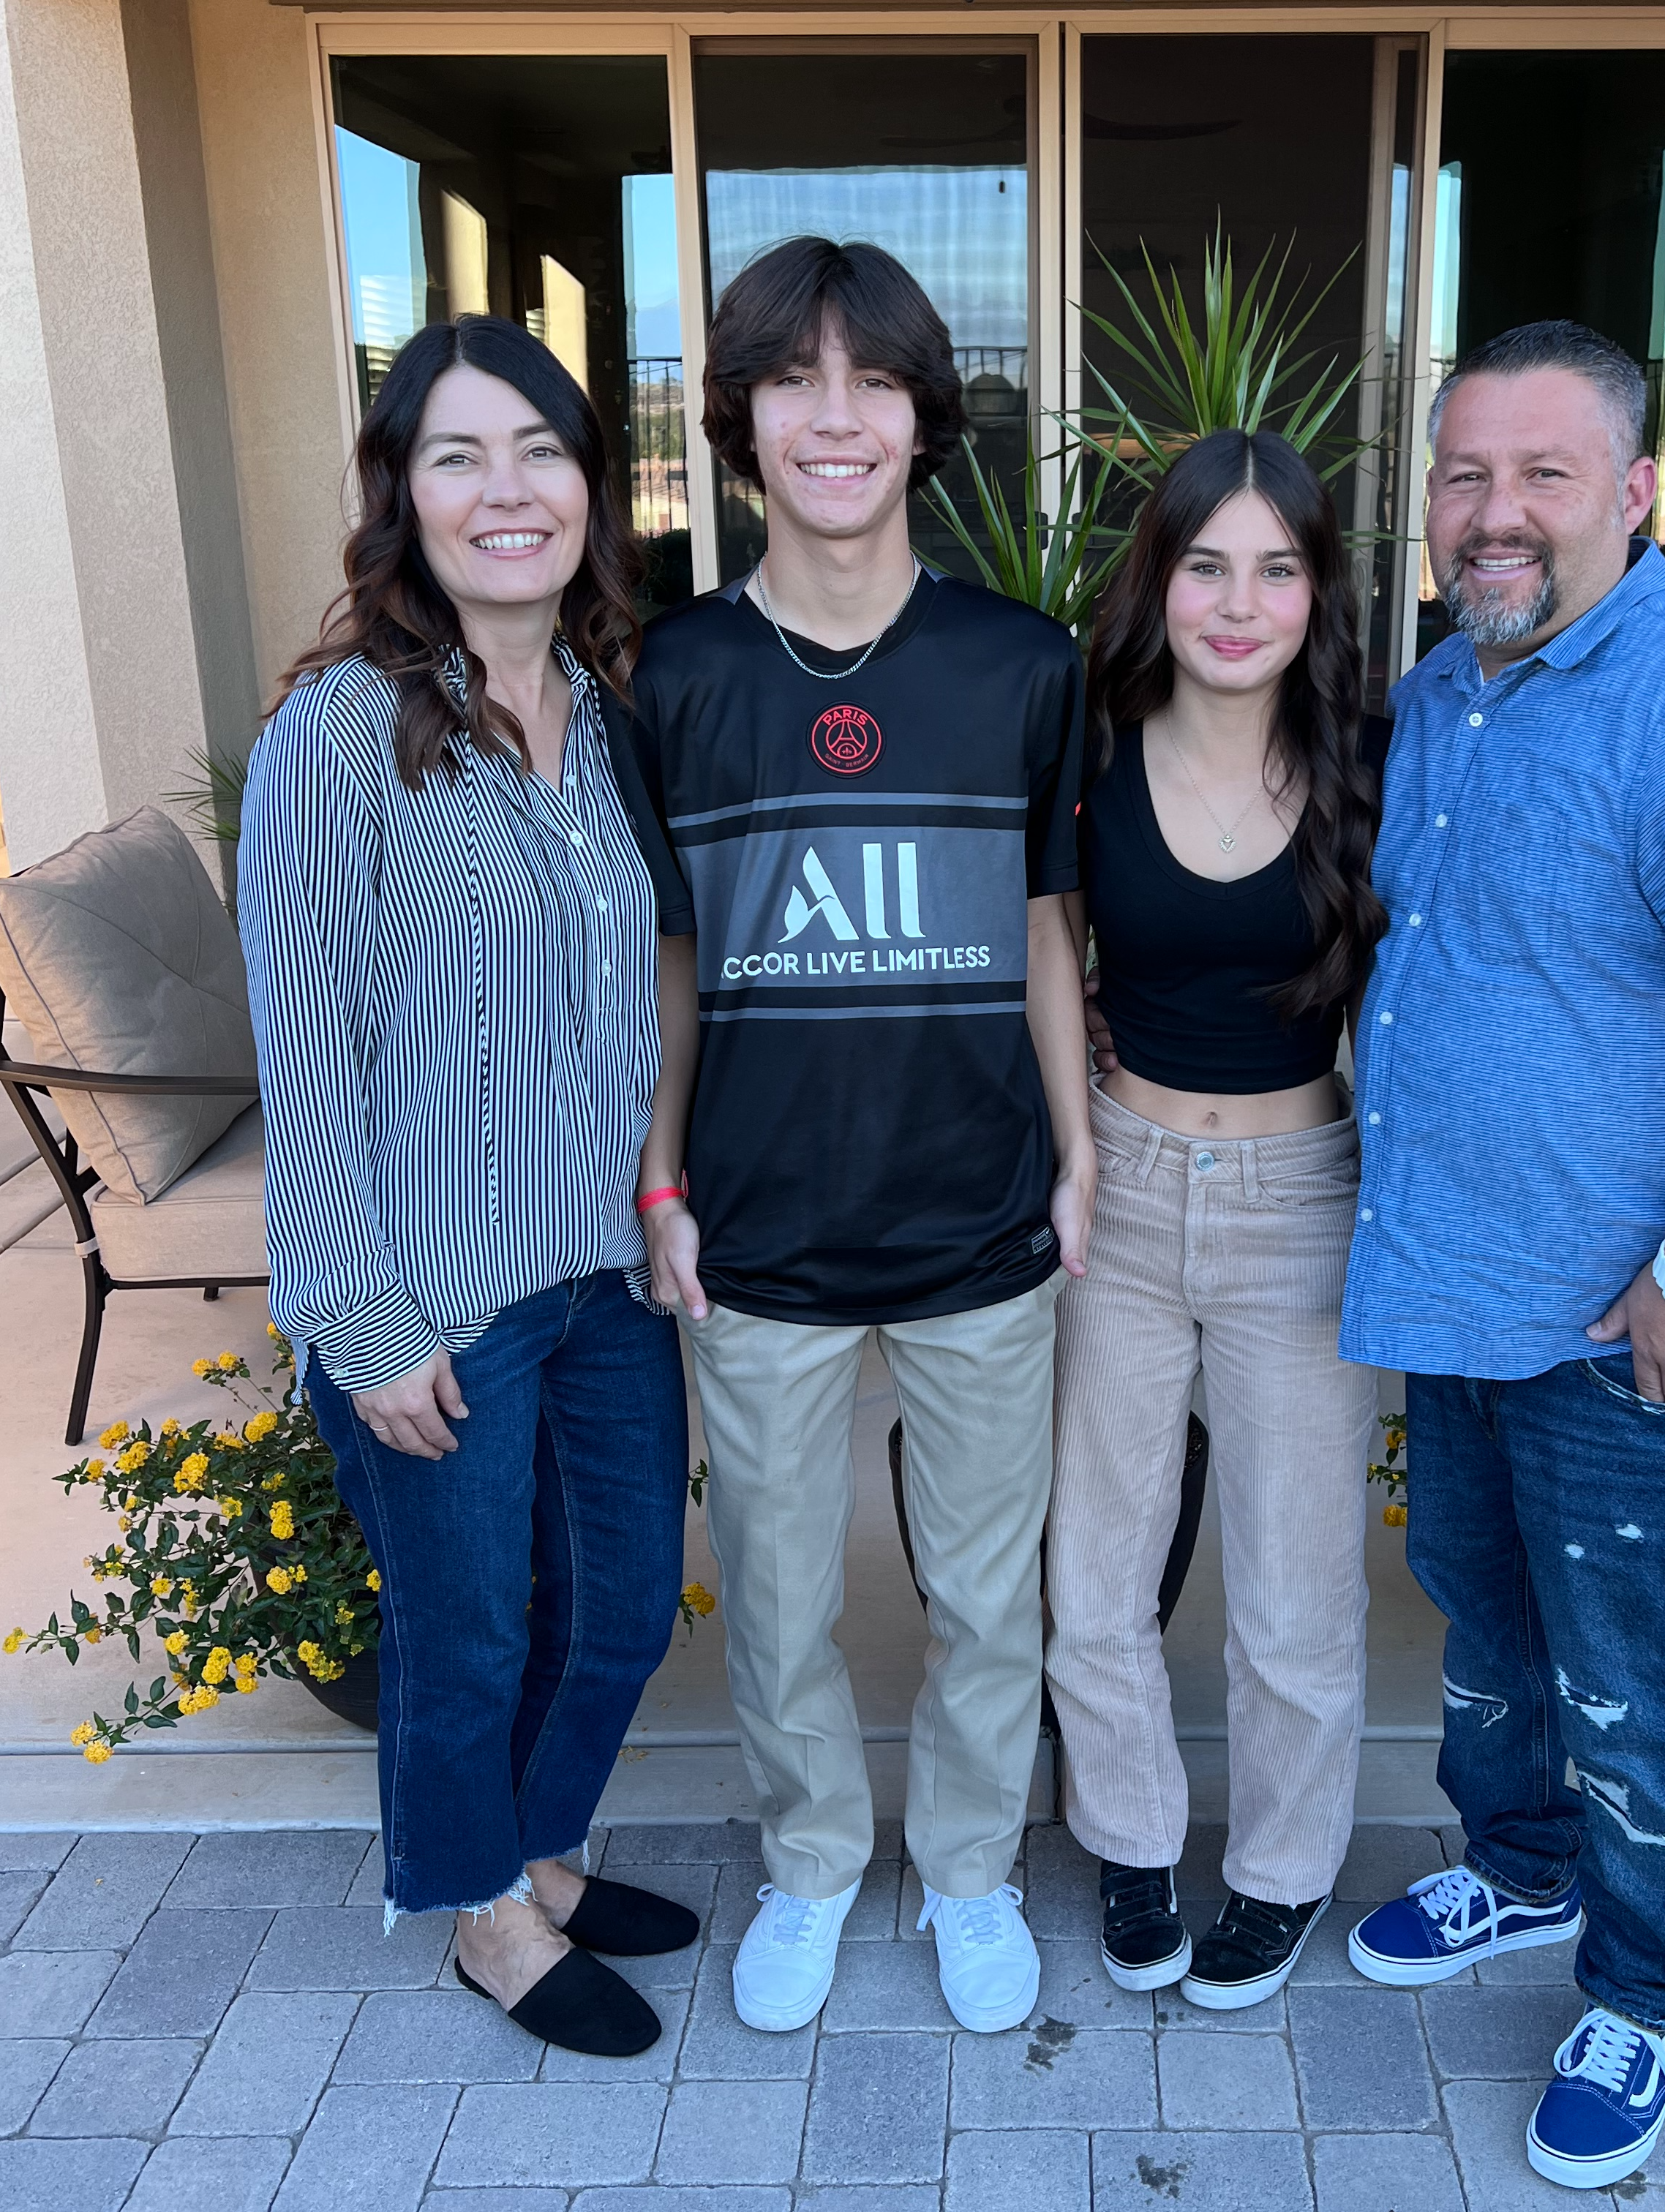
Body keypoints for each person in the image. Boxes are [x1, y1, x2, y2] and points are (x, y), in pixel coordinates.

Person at [1339, 320, 1665, 2189]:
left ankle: (1645, 1997)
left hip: (1637, 1329)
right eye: (1466, 477)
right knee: (1491, 1634)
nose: (1498, 515)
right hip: (1468, 1293)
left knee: (1650, 1686)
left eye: (1545, 475)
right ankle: (1519, 1871)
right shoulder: (1439, 699)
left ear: (1639, 494)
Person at [607, 238, 1093, 2038]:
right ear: (738, 421)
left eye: (872, 380)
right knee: (786, 1599)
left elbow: (1052, 929)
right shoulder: (669, 675)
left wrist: (1076, 1152)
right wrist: (660, 1174)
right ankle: (816, 1861)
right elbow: (671, 957)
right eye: (794, 381)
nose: (835, 417)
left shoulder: (1018, 666)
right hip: (755, 1225)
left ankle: (966, 1871)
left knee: (986, 1596)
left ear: (919, 418)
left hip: (977, 1215)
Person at [238, 316, 702, 2059]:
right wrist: (357, 1322)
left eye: (539, 452)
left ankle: (537, 1850)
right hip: (432, 1298)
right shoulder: (339, 739)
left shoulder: (600, 718)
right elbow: (308, 1049)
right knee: (468, 1631)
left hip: (599, 1272)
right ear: (404, 497)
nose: (505, 491)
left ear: (592, 483)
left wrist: (658, 1196)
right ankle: (485, 1918)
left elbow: (635, 991)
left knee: (625, 1607)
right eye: (458, 456)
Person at [1044, 429, 1386, 2010]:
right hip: (1118, 1182)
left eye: (1276, 567)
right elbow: (1052, 948)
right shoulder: (1088, 741)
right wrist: (1073, 1143)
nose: (1237, 603)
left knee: (1295, 1586)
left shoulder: (1375, 763)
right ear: (1157, 580)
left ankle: (1282, 1872)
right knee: (1098, 1569)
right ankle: (1129, 1843)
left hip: (1303, 1205)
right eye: (1204, 565)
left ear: (1317, 591)